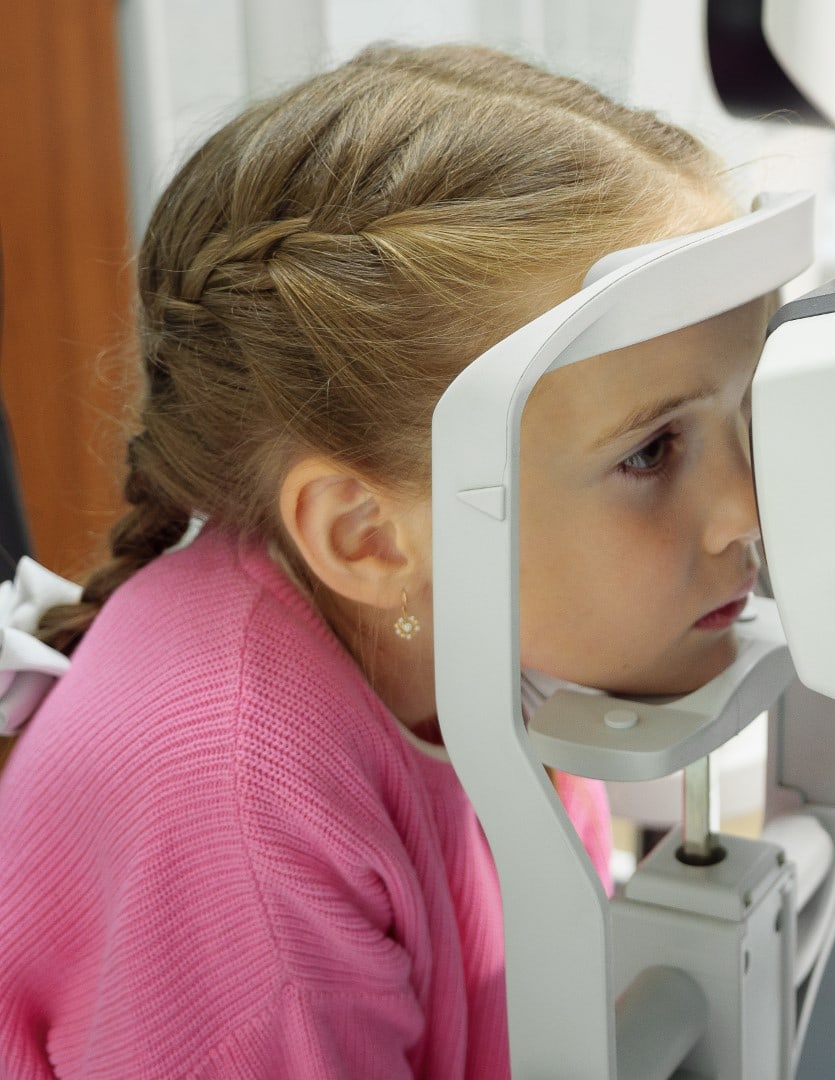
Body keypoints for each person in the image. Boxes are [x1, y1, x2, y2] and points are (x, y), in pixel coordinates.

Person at [0, 43, 767, 1078]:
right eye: (652, 450)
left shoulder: (480, 634)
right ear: (366, 534)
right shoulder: (234, 821)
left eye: (745, 410)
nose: (745, 512)